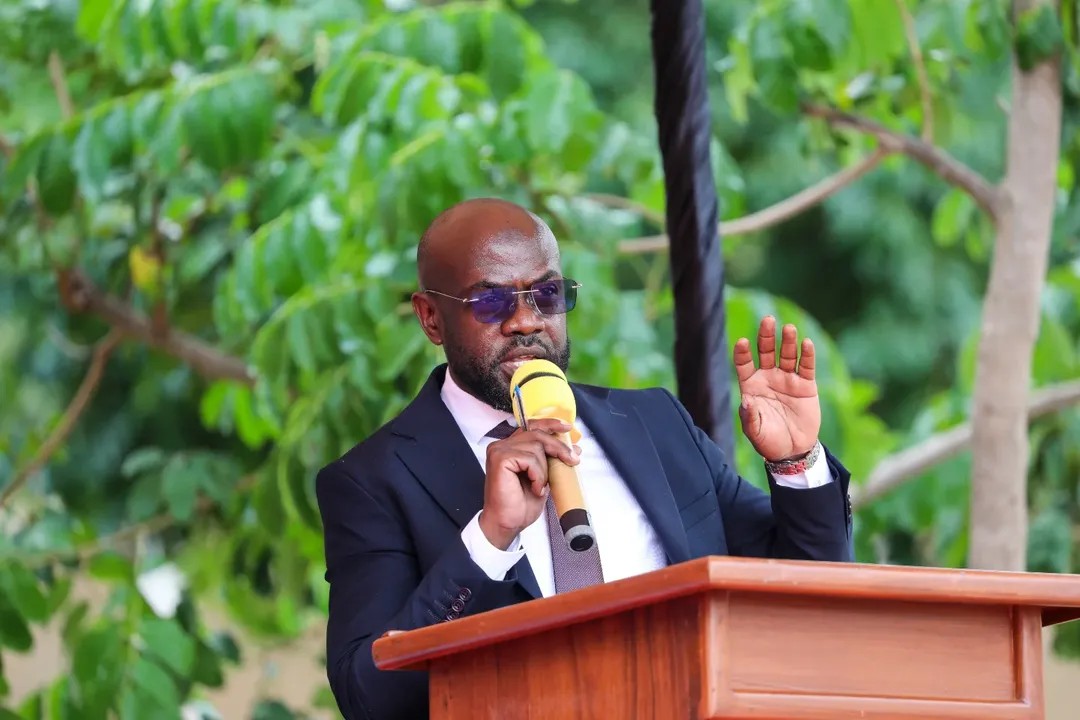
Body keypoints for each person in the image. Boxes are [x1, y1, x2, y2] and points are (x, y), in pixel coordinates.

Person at [315, 198, 853, 720]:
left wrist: (796, 462)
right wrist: (490, 539)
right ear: (431, 318)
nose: (526, 322)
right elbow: (369, 697)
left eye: (545, 294)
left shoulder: (655, 423)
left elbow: (810, 601)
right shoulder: (372, 480)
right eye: (492, 302)